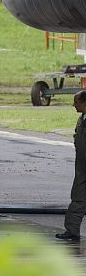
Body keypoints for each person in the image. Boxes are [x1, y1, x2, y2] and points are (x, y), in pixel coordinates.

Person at [56, 90, 86, 242]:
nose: (74, 105)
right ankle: (72, 231)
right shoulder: (81, 120)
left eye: (77, 102)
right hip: (82, 169)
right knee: (78, 198)